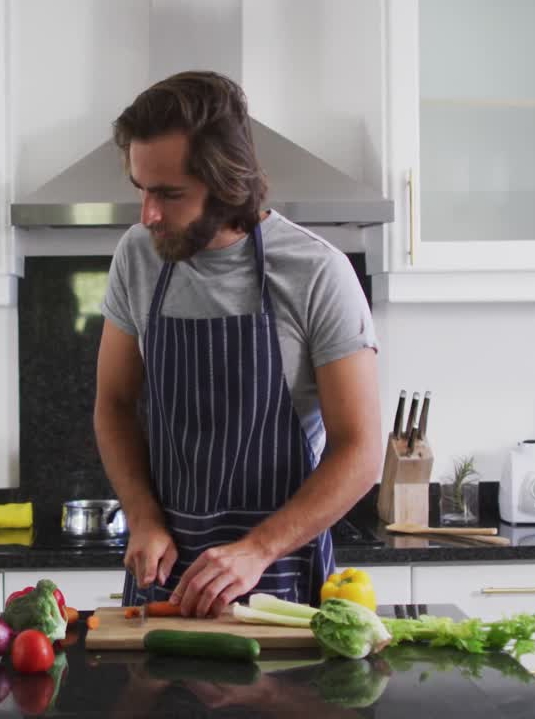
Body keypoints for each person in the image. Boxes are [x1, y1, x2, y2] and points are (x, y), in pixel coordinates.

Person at [94, 70, 383, 618]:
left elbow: (361, 450)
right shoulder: (137, 257)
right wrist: (144, 517)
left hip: (279, 584)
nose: (147, 215)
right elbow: (113, 404)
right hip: (164, 579)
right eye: (141, 190)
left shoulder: (317, 273)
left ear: (226, 182)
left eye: (169, 194)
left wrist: (257, 550)